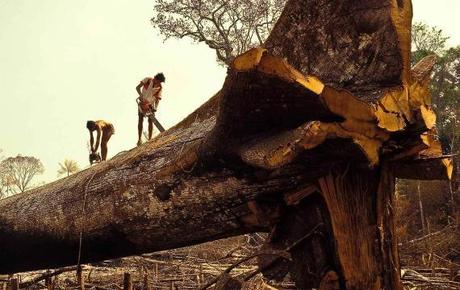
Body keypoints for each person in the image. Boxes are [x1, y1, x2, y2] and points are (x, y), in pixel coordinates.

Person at [136, 72, 165, 146]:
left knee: (151, 120)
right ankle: (139, 139)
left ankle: (150, 139)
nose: (157, 83)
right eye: (157, 81)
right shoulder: (147, 80)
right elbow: (137, 88)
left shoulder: (159, 88)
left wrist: (155, 107)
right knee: (140, 119)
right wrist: (141, 96)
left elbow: (157, 99)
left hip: (150, 105)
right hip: (142, 102)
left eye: (159, 82)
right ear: (155, 78)